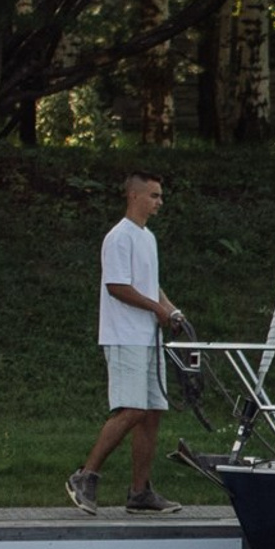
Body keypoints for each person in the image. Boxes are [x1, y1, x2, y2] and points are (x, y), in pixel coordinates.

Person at [68, 168, 186, 516]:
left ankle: (139, 492)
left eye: (160, 196)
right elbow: (117, 287)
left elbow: (151, 285)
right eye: (154, 196)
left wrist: (171, 310)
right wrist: (156, 309)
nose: (159, 202)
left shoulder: (147, 237)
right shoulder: (118, 237)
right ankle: (85, 476)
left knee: (151, 414)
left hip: (147, 337)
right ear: (134, 196)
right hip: (124, 336)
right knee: (131, 409)